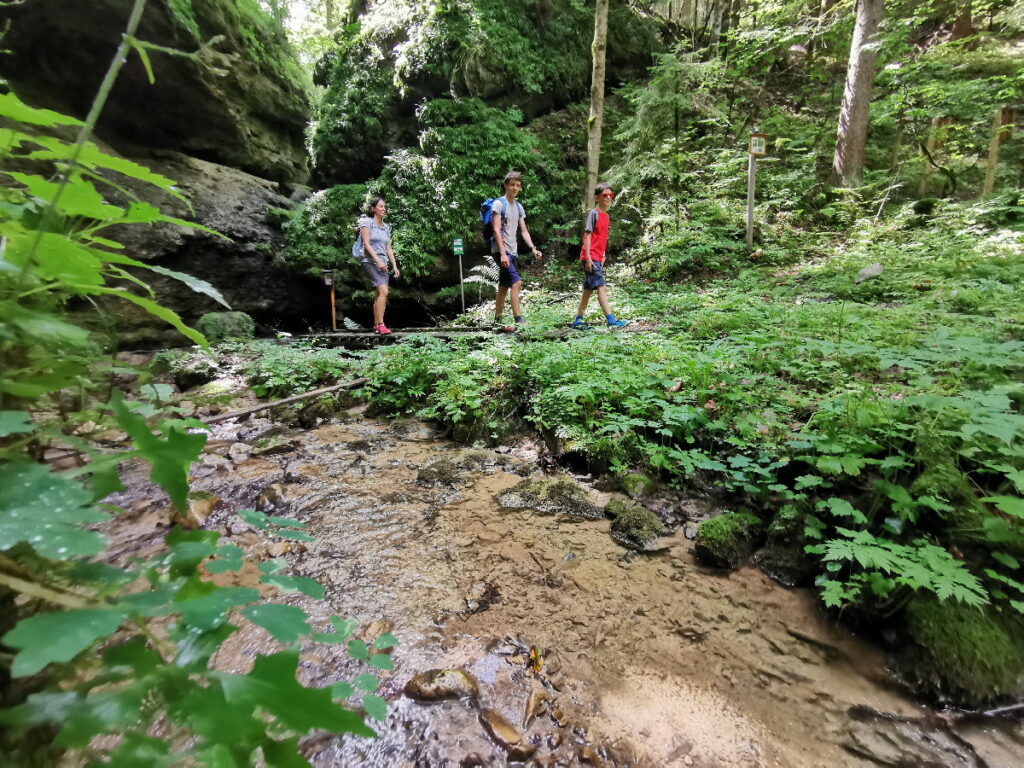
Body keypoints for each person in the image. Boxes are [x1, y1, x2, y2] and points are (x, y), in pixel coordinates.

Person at [572, 182, 628, 329]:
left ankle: (578, 321)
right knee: (601, 287)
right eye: (605, 195)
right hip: (589, 257)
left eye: (611, 195)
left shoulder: (606, 216)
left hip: (597, 257)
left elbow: (602, 238)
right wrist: (589, 258)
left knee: (587, 290)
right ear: (597, 197)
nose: (608, 198)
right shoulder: (594, 214)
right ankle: (611, 320)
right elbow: (588, 237)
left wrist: (602, 256)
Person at [490, 171, 542, 330]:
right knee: (516, 282)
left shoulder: (518, 206)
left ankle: (497, 321)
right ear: (506, 185)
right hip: (501, 251)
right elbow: (496, 230)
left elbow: (524, 231)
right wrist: (503, 253)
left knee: (504, 286)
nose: (515, 188)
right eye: (512, 185)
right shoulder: (499, 204)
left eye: (518, 185)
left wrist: (533, 248)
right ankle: (518, 321)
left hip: (513, 251)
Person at [352, 196, 400, 335]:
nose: (384, 209)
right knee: (384, 292)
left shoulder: (385, 227)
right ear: (373, 209)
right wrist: (378, 261)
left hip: (383, 264)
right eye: (381, 206)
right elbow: (366, 244)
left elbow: (388, 248)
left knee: (379, 294)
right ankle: (380, 324)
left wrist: (394, 266)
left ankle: (376, 325)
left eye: (384, 207)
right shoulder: (367, 223)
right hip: (370, 261)